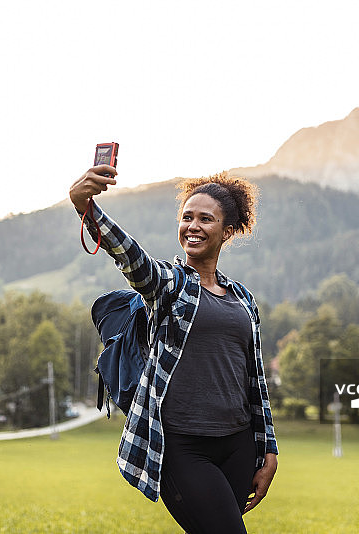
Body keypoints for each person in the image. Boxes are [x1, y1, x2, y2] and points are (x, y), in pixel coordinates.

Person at [70, 164, 278, 534]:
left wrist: (269, 450)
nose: (193, 226)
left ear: (228, 231)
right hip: (182, 447)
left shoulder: (243, 299)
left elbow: (256, 382)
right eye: (187, 217)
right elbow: (132, 257)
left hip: (238, 445)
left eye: (205, 219)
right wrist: (85, 208)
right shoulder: (170, 285)